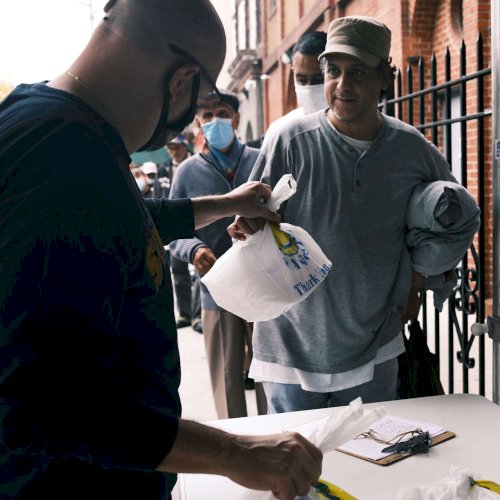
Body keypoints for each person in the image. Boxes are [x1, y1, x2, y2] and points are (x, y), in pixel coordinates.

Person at [0, 1, 322, 498]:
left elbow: (116, 223)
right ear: (181, 81)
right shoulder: (61, 154)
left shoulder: (59, 128)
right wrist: (236, 453)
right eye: (196, 107)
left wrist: (222, 204)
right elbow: (44, 400)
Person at [229, 16, 464, 414]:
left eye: (357, 72)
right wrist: (249, 228)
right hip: (291, 346)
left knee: (370, 465)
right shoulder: (289, 140)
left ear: (384, 78)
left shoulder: (412, 150)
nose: (341, 85)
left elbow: (452, 219)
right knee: (296, 471)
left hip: (375, 346)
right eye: (333, 71)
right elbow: (252, 220)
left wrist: (419, 278)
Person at [169, 89, 262, 419]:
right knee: (226, 379)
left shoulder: (260, 159)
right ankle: (237, 443)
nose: (214, 121)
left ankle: (277, 436)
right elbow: (171, 233)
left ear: (236, 119)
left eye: (222, 113)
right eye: (207, 116)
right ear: (198, 123)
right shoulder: (187, 172)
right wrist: (194, 249)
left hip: (264, 285)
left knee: (269, 375)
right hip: (216, 290)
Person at [161, 134, 203, 332]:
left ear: (184, 147)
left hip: (193, 224)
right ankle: (185, 313)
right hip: (171, 228)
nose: (172, 151)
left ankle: (197, 316)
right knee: (178, 271)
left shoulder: (194, 166)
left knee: (198, 271)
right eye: (170, 148)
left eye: (175, 147)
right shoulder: (164, 169)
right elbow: (156, 197)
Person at [262, 30, 327, 143]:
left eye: (319, 79)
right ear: (293, 72)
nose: (309, 88)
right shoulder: (281, 133)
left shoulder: (358, 128)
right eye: (302, 80)